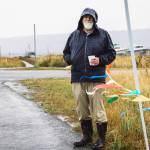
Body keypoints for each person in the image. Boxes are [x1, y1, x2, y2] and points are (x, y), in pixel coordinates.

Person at [63, 8, 116, 150]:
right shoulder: (74, 35)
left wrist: (100, 60)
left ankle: (101, 140)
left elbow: (111, 53)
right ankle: (86, 137)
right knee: (82, 109)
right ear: (81, 19)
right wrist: (70, 59)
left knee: (98, 109)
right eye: (85, 17)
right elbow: (66, 52)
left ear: (94, 20)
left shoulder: (103, 35)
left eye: (90, 17)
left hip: (96, 78)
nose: (88, 19)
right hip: (78, 78)